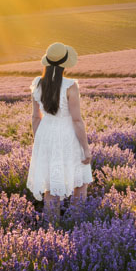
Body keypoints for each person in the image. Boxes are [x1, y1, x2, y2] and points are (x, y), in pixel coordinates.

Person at [26, 42, 93, 220]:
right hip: (67, 134)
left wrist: (39, 143)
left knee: (51, 185)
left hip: (46, 133)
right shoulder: (70, 86)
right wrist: (86, 148)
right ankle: (76, 224)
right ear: (65, 63)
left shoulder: (37, 84)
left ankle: (51, 229)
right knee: (81, 181)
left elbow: (35, 118)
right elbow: (77, 120)